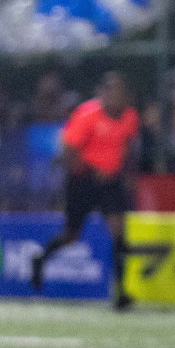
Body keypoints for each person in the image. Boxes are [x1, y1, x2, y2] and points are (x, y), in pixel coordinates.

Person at [33, 72, 139, 309]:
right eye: (112, 91)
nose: (116, 96)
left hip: (110, 183)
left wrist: (124, 173)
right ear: (103, 93)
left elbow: (127, 147)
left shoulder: (129, 117)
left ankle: (121, 292)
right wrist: (92, 170)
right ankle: (40, 259)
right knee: (71, 235)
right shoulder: (87, 114)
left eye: (120, 91)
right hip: (83, 182)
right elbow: (68, 149)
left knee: (119, 234)